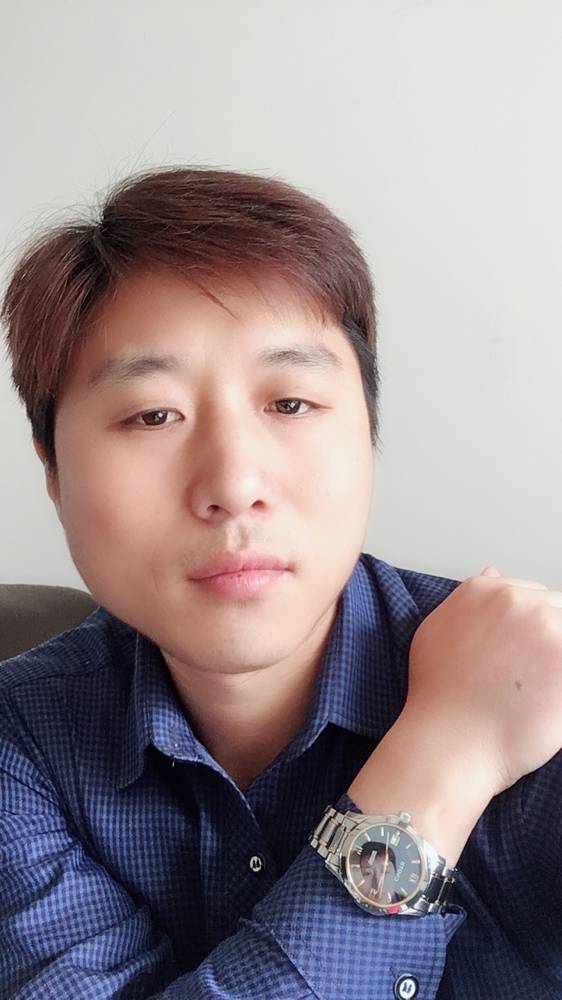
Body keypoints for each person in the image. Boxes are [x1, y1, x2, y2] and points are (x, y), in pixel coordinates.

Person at [0, 165, 560, 1000]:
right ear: (53, 471)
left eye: (290, 403)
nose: (234, 483)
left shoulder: (538, 688)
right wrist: (446, 755)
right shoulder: (22, 745)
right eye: (152, 415)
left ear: (369, 430)